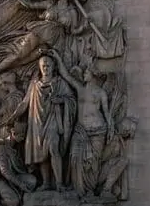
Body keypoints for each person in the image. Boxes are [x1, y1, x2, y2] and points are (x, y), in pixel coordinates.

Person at [48, 51, 113, 197]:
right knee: (74, 157)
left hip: (98, 131)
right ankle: (79, 191)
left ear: (93, 75)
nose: (84, 75)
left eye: (86, 73)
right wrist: (58, 57)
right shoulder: (80, 89)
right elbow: (66, 75)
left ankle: (90, 190)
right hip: (80, 130)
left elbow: (107, 113)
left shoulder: (101, 93)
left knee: (93, 163)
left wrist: (111, 128)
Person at [9, 55, 76, 192]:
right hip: (37, 121)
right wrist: (13, 116)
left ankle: (59, 183)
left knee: (53, 149)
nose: (45, 68)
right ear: (40, 67)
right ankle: (46, 183)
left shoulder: (59, 83)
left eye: (48, 65)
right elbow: (25, 103)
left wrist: (61, 100)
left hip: (53, 120)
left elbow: (72, 100)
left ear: (53, 67)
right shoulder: (34, 85)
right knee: (41, 153)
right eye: (43, 65)